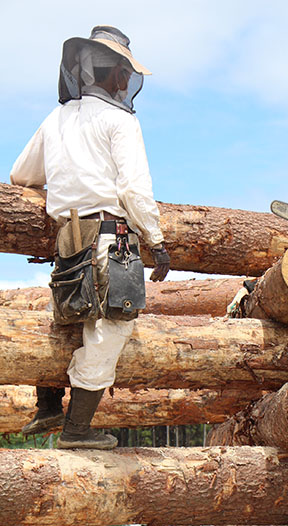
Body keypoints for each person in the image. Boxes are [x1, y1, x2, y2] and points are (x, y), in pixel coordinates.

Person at [10, 25, 170, 450]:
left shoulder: (55, 119)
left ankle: (47, 406)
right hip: (108, 239)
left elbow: (21, 175)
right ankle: (76, 429)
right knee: (109, 331)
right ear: (118, 75)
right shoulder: (119, 120)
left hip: (68, 241)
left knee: (67, 318)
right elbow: (134, 190)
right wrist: (156, 241)